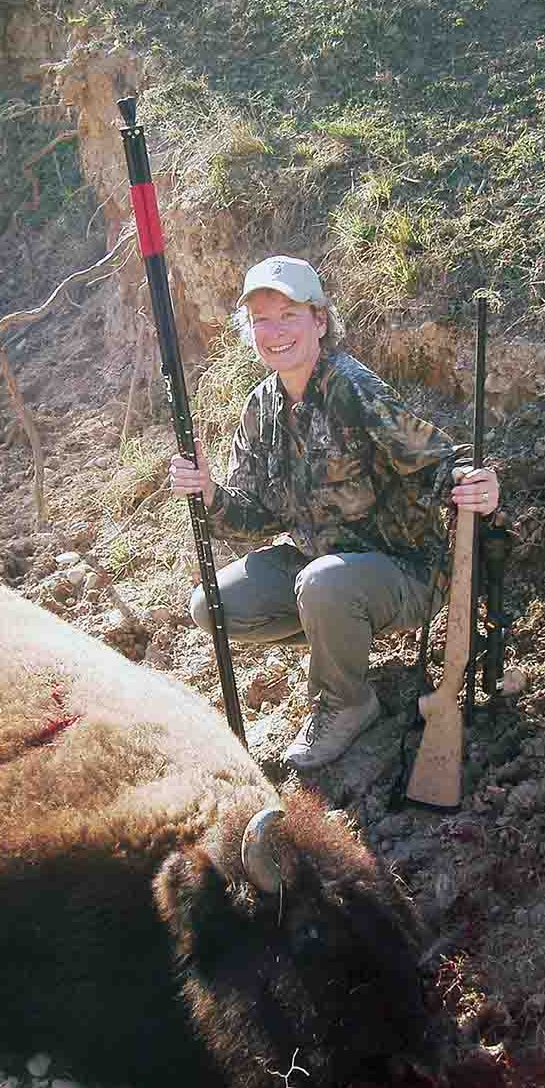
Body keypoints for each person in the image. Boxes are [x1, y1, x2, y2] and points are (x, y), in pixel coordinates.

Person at [169, 256, 499, 770]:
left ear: (319, 321)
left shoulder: (355, 390)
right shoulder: (260, 408)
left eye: (288, 315)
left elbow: (437, 462)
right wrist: (210, 494)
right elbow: (255, 517)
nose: (274, 332)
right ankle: (341, 648)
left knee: (323, 585)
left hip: (403, 572)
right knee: (211, 605)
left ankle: (346, 702)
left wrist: (474, 483)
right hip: (315, 568)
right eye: (261, 320)